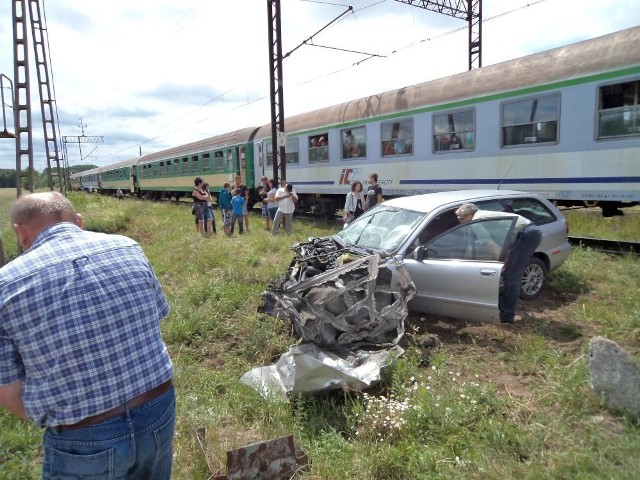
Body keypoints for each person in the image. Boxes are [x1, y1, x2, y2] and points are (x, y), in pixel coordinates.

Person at [0, 192, 174, 479]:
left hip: (82, 435)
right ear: (78, 221)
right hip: (158, 409)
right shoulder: (129, 247)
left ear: (20, 232)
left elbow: (7, 392)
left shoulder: (6, 284)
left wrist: (60, 413)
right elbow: (157, 315)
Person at [455, 202, 542, 324]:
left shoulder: (476, 221)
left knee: (511, 276)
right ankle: (505, 309)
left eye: (462, 218)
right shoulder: (482, 215)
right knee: (511, 274)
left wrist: (501, 260)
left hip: (527, 235)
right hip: (529, 232)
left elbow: (488, 243)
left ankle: (507, 316)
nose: (461, 222)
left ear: (469, 215)